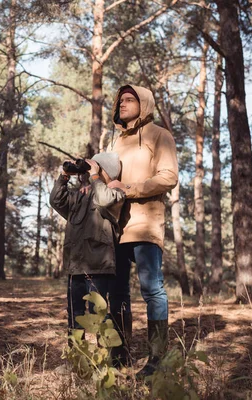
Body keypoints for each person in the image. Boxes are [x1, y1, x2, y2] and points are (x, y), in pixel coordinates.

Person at [105, 85, 179, 377]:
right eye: (120, 100)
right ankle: (119, 355)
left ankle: (157, 358)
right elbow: (108, 180)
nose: (121, 104)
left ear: (144, 103)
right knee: (117, 292)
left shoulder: (160, 135)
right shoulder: (116, 142)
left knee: (152, 290)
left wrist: (129, 189)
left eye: (129, 99)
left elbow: (168, 177)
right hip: (115, 227)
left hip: (145, 224)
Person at [49, 152, 126, 339]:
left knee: (98, 313)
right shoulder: (79, 196)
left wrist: (95, 176)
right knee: (74, 313)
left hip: (99, 265)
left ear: (105, 171)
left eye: (95, 167)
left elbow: (105, 199)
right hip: (76, 265)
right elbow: (56, 200)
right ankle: (77, 356)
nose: (87, 172)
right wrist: (65, 176)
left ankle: (103, 358)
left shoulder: (116, 193)